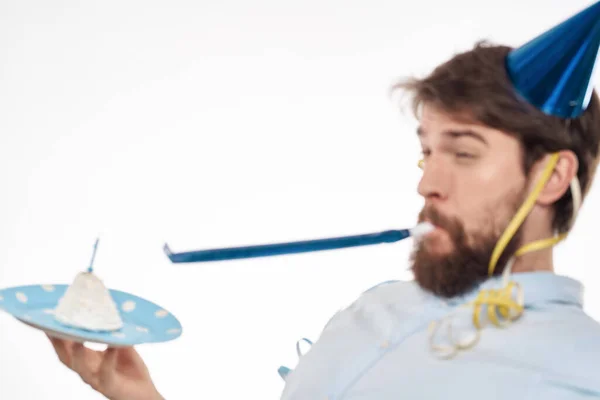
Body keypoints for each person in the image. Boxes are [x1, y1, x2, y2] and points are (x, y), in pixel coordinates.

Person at [47, 3, 600, 399]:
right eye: (426, 151)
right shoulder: (375, 308)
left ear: (552, 178)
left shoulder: (580, 373)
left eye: (463, 153)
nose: (427, 183)